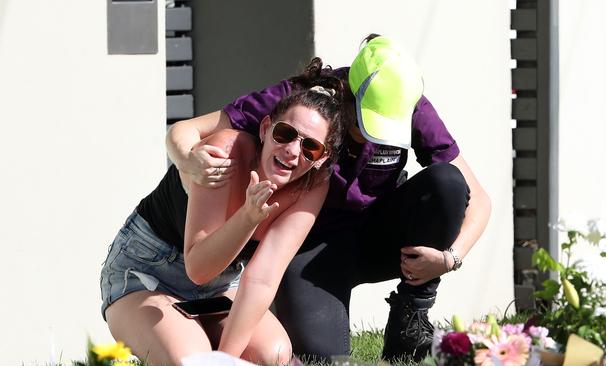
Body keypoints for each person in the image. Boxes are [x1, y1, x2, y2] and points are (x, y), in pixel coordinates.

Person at [167, 35, 491, 362]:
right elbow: (186, 131)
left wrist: (450, 259)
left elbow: (477, 198)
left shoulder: (406, 106)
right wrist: (187, 159)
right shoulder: (301, 104)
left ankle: (411, 316)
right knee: (323, 358)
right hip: (310, 250)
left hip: (380, 237)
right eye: (368, 125)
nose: (372, 138)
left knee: (447, 182)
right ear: (347, 95)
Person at [99, 85, 347, 366]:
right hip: (147, 273)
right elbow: (198, 268)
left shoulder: (313, 185)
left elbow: (263, 279)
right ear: (266, 128)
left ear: (321, 159)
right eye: (285, 134)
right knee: (192, 361)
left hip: (222, 284)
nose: (291, 151)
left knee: (273, 354)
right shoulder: (224, 153)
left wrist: (226, 360)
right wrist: (247, 218)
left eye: (310, 147)